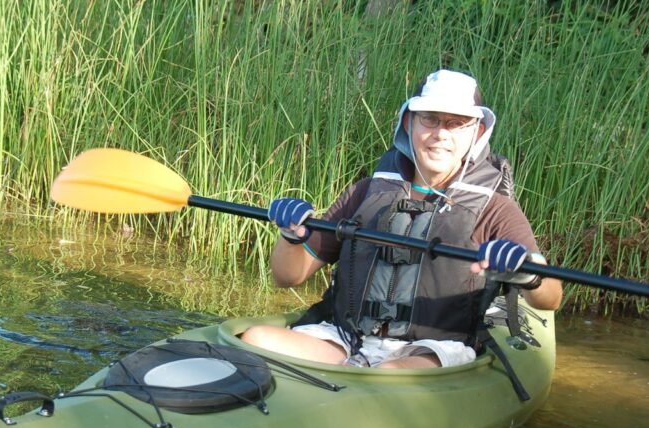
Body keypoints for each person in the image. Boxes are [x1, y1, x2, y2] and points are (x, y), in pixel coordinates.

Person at [241, 69, 562, 369]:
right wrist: (291, 235)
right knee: (257, 338)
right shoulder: (367, 192)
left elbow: (551, 297)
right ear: (410, 123)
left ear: (476, 132)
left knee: (388, 374)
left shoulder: (495, 209)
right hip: (346, 337)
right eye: (431, 120)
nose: (440, 134)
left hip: (432, 350)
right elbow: (287, 277)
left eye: (455, 123)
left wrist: (528, 274)